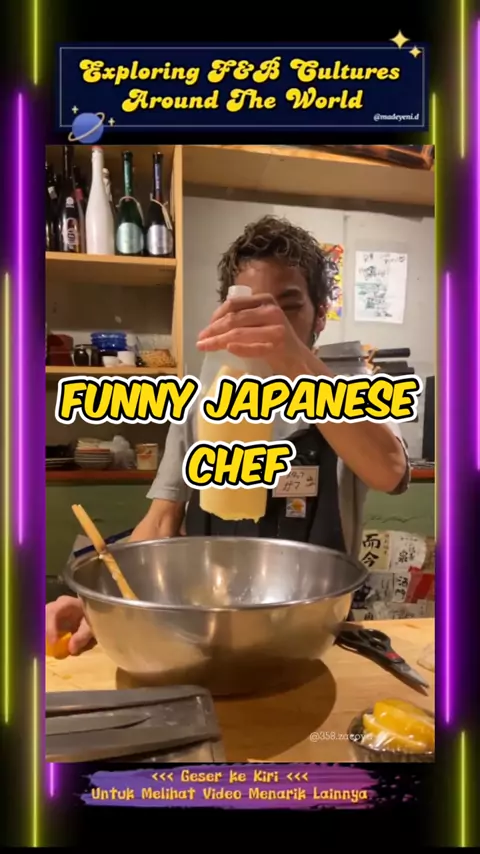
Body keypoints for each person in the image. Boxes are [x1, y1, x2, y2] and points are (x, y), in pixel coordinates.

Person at [47, 216, 409, 655]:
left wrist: (294, 362)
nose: (267, 323)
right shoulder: (204, 399)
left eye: (288, 307)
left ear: (319, 315)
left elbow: (390, 471)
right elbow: (162, 519)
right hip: (207, 629)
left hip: (315, 633)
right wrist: (97, 606)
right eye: (250, 308)